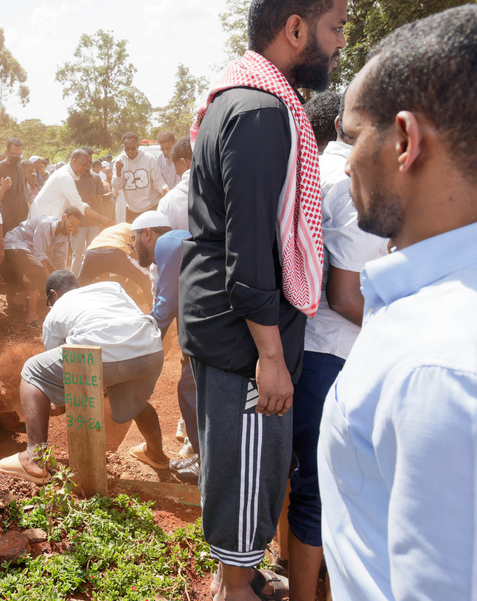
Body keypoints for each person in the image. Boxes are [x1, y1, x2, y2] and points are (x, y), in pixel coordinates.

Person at [179, 0, 346, 598]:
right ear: (295, 29)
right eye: (336, 28)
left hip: (233, 329)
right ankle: (235, 588)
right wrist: (270, 359)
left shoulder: (244, 99)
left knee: (247, 473)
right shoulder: (259, 111)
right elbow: (249, 251)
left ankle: (241, 579)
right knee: (247, 482)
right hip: (245, 340)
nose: (341, 43)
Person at [318, 7, 477, 600]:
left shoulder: (438, 371)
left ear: (405, 141)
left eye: (354, 136)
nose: (349, 159)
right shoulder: (428, 308)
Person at [287, 92, 386, 601]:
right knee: (322, 492)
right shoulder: (353, 184)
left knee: (305, 482)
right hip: (337, 351)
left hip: (306, 345)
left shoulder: (314, 174)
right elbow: (347, 296)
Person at [0, 271, 169, 483]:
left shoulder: (55, 312)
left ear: (53, 295)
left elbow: (63, 372)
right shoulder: (110, 287)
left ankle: (33, 458)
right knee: (136, 402)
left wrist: (57, 403)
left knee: (33, 371)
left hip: (103, 354)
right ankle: (156, 454)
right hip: (150, 349)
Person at [129, 212, 198, 483]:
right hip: (206, 334)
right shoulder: (174, 244)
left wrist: (133, 350)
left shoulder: (168, 243)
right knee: (190, 386)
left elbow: (163, 312)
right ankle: (204, 456)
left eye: (134, 240)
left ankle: (207, 463)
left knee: (190, 389)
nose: (134, 248)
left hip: (216, 334)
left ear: (147, 234)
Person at [0, 209, 82, 328]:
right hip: (14, 244)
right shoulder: (45, 224)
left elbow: (59, 264)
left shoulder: (63, 236)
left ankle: (19, 298)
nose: (72, 228)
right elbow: (39, 254)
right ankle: (31, 315)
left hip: (28, 250)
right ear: (64, 218)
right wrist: (49, 277)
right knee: (39, 270)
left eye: (76, 227)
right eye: (71, 224)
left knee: (52, 274)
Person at [28, 149, 112, 228]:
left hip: (48, 221)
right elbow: (79, 205)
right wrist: (102, 219)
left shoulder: (70, 175)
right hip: (40, 222)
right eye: (82, 165)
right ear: (74, 161)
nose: (84, 168)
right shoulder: (65, 176)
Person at [77, 222, 152, 303]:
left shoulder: (111, 230)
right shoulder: (135, 229)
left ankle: (74, 307)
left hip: (91, 253)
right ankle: (155, 310)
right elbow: (139, 256)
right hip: (115, 252)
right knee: (146, 278)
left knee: (80, 285)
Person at [112, 132, 169, 222]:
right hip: (132, 210)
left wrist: (165, 190)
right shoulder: (119, 162)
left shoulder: (149, 158)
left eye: (132, 148)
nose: (130, 151)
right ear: (123, 147)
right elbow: (116, 186)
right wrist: (118, 172)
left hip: (151, 207)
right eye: (127, 149)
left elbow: (158, 181)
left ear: (138, 145)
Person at [0, 137, 26, 234]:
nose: (17, 157)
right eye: (14, 154)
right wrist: (3, 188)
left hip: (22, 222)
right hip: (6, 225)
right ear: (6, 152)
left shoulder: (20, 167)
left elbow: (24, 193)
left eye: (19, 154)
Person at [156, 135, 192, 231]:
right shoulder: (159, 159)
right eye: (163, 149)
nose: (166, 152)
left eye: (168, 148)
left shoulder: (166, 203)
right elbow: (158, 178)